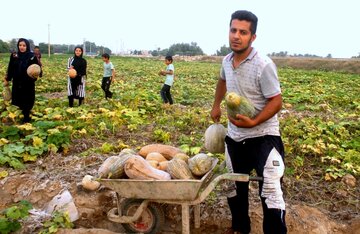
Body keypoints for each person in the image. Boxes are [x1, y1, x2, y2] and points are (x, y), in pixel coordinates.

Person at [210, 10, 287, 234]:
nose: (236, 36)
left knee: (271, 190)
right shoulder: (226, 61)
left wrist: (254, 122)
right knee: (234, 187)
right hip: (235, 136)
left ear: (252, 37)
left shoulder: (263, 65)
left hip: (264, 136)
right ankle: (240, 229)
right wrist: (216, 105)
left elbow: (276, 101)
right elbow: (222, 81)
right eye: (233, 30)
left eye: (243, 32)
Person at [4, 38, 41, 123]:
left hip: (28, 82)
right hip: (17, 81)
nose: (22, 47)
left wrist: (35, 75)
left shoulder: (32, 56)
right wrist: (8, 78)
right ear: (18, 46)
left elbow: (37, 68)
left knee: (27, 100)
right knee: (17, 99)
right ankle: (18, 116)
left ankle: (26, 118)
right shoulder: (14, 55)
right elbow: (11, 67)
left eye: (24, 45)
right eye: (20, 45)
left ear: (27, 46)